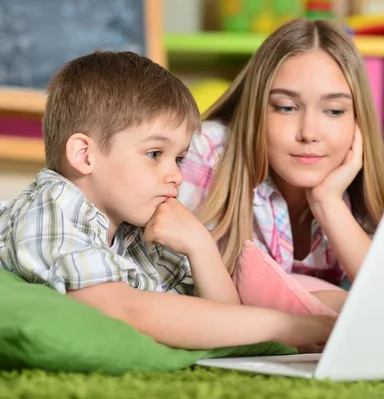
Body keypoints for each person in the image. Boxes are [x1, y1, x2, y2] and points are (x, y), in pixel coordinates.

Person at [0, 50, 334, 350]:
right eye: (155, 153)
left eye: (179, 159)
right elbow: (124, 309)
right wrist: (286, 326)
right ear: (84, 155)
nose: (176, 175)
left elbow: (221, 319)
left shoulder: (138, 227)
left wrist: (200, 246)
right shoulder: (50, 208)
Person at [178, 19, 384, 311]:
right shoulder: (205, 153)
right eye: (286, 107)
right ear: (257, 109)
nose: (308, 132)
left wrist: (327, 201)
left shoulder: (361, 190)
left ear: (358, 121)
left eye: (334, 111)